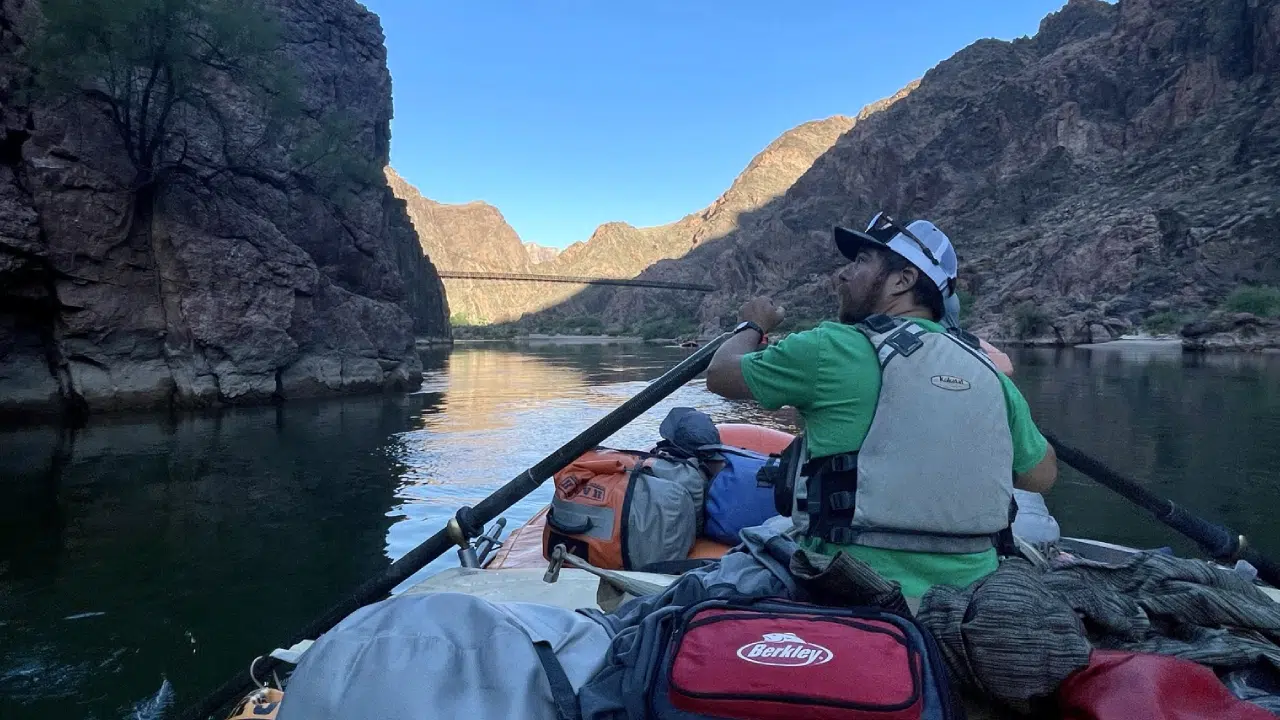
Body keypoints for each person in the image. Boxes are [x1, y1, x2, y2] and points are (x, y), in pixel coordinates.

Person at [705, 213, 1057, 598]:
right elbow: (1039, 476)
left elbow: (720, 374)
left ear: (903, 280)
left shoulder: (830, 347)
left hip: (852, 590)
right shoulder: (989, 371)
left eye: (860, 262)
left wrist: (753, 325)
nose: (843, 275)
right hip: (968, 602)